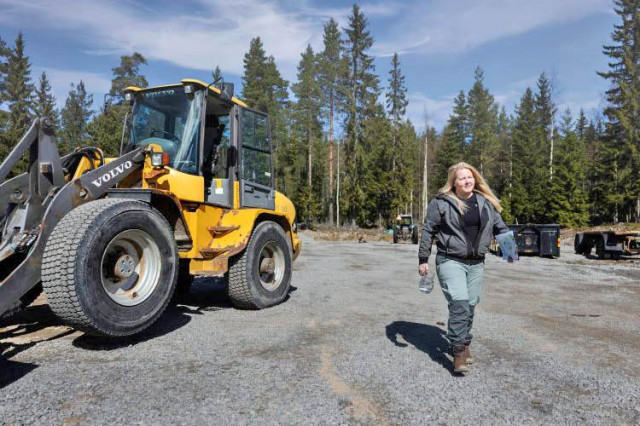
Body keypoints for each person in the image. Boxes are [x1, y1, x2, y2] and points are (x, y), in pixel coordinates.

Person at [418, 162, 512, 374]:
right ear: (454, 183)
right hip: (450, 260)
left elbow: (500, 227)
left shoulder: (484, 202)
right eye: (462, 178)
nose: (467, 181)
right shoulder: (441, 203)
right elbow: (428, 231)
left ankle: (463, 341)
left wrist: (510, 251)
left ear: (475, 179)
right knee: (459, 302)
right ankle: (458, 351)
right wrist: (423, 259)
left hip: (476, 263)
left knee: (470, 305)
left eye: (470, 177)